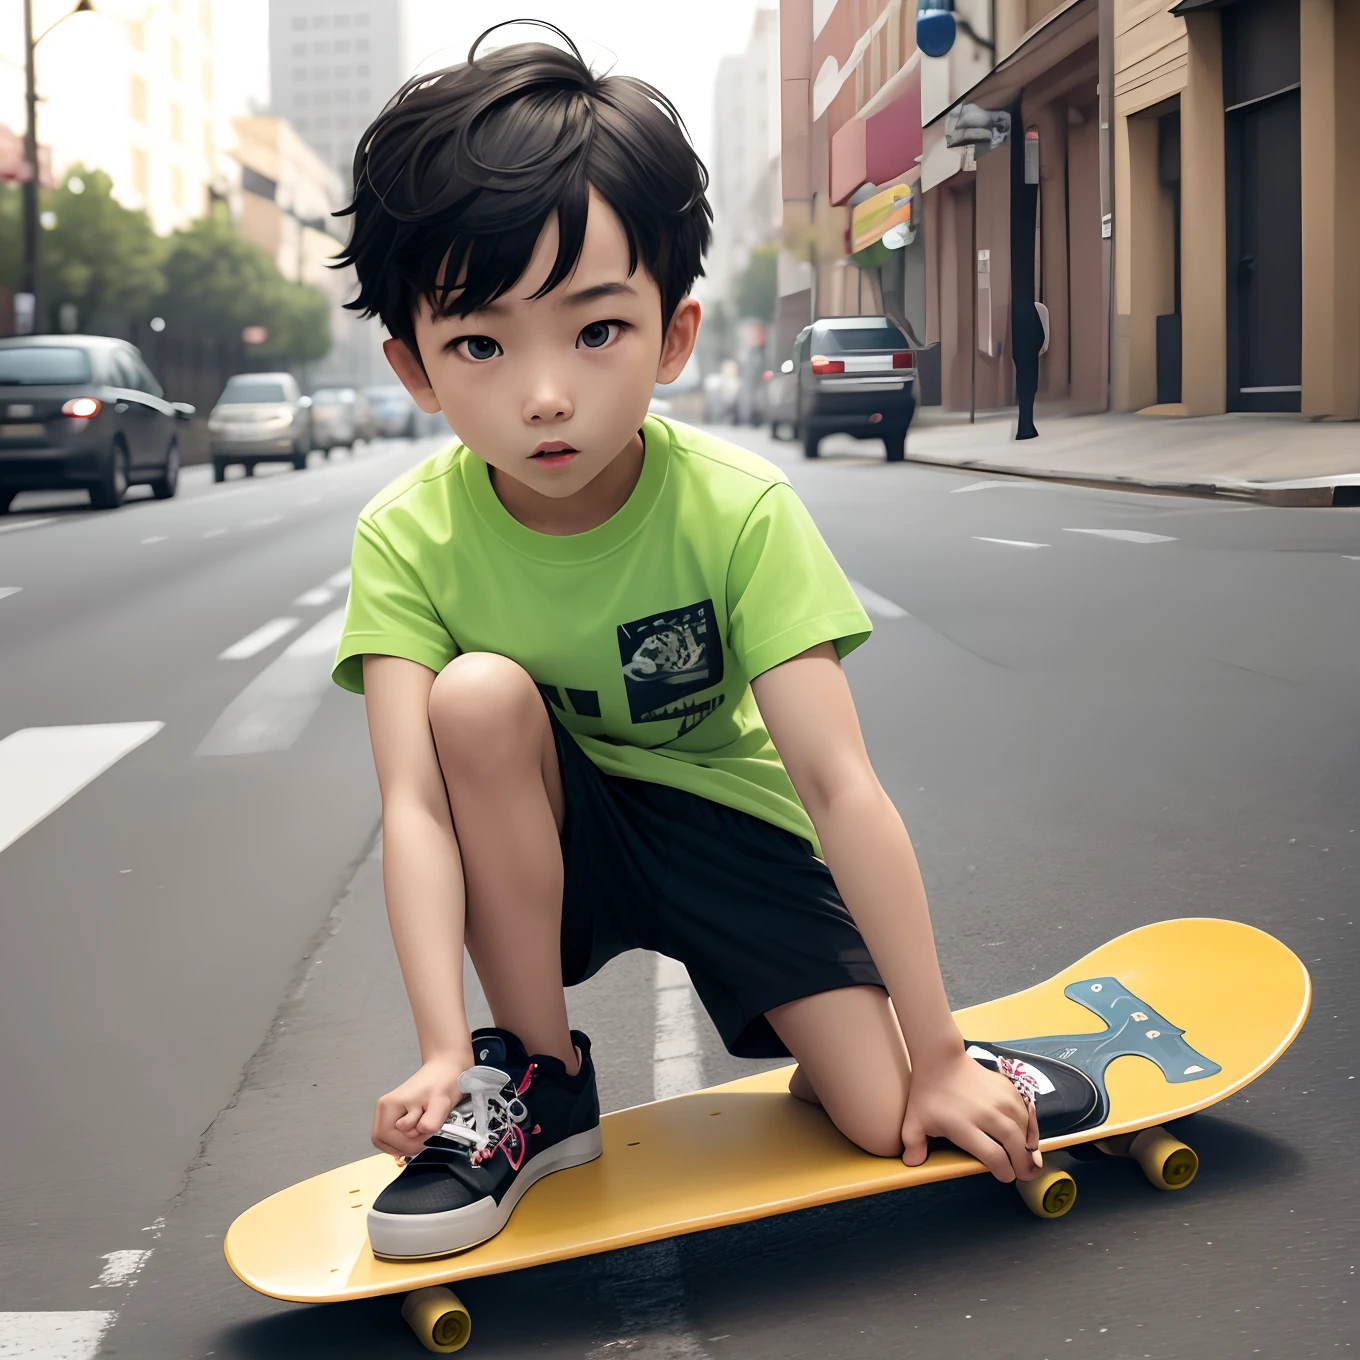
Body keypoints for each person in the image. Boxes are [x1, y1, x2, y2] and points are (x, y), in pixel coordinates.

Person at [331, 21, 1042, 1262]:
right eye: (481, 344)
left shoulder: (738, 505)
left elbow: (836, 782)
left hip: (730, 825)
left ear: (672, 335)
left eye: (594, 331)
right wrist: (446, 1044)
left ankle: (910, 1052)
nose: (543, 392)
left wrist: (932, 1052)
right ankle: (538, 1077)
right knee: (478, 698)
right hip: (555, 836)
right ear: (415, 369)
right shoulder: (407, 537)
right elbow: (415, 807)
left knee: (887, 1118)